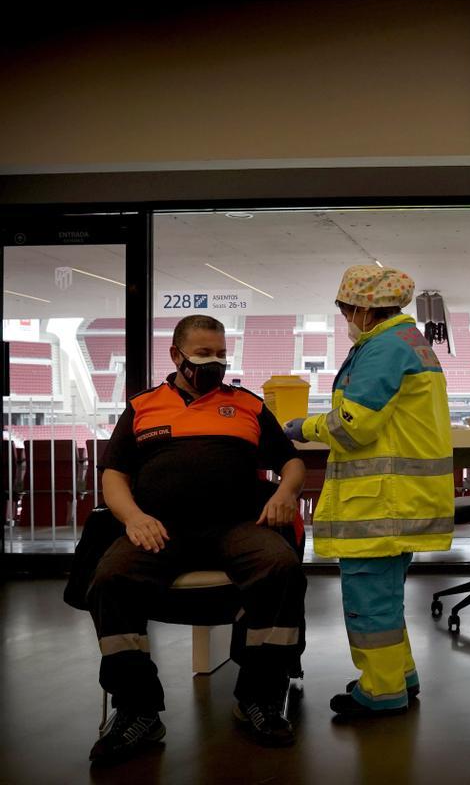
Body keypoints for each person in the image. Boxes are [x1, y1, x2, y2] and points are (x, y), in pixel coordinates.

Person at [88, 315, 307, 763]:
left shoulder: (246, 405)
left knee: (281, 567)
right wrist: (133, 517)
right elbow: (114, 475)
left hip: (236, 526)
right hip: (160, 529)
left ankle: (259, 697)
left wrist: (285, 493)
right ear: (176, 355)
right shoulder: (143, 406)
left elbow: (292, 463)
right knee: (111, 578)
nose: (215, 363)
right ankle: (138, 708)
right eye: (204, 354)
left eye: (221, 354)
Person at [284, 265, 454, 718]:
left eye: (344, 311)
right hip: (400, 500)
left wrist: (302, 427)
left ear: (361, 308)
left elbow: (352, 425)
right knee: (386, 597)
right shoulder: (406, 344)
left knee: (369, 602)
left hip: (381, 504)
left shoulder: (382, 349)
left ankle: (380, 692)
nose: (345, 319)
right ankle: (401, 675)